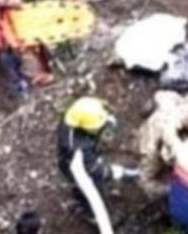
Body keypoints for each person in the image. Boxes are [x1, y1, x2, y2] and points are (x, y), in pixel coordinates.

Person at [57, 97, 138, 234]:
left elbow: (101, 107)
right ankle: (94, 218)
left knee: (78, 187)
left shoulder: (73, 115)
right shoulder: (78, 150)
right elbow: (98, 171)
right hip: (78, 169)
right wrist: (122, 173)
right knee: (97, 196)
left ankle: (80, 198)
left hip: (69, 161)